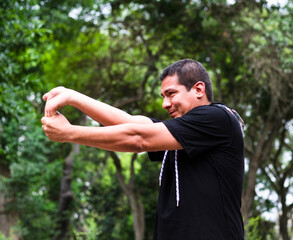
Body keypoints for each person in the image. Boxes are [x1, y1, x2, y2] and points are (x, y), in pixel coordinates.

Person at [41, 59, 245, 240]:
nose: (165, 104)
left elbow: (138, 139)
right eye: (163, 96)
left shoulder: (218, 118)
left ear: (199, 90)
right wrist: (73, 97)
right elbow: (128, 122)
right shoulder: (179, 133)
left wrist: (69, 133)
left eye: (171, 94)